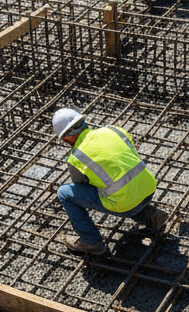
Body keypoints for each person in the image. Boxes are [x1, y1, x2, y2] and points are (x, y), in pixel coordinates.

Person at [52, 107, 168, 255]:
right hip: (148, 187)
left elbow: (81, 187)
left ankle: (91, 242)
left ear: (66, 137)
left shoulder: (76, 158)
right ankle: (150, 215)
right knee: (120, 188)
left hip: (126, 203)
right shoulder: (113, 130)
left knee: (65, 193)